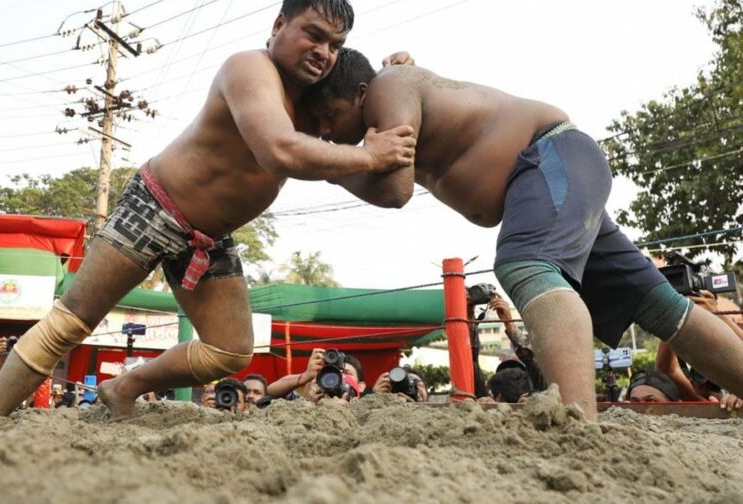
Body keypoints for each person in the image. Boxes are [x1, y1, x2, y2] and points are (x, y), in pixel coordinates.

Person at [0, 0, 417, 420]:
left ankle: (123, 387)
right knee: (71, 321)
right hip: (156, 206)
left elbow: (372, 176)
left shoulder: (315, 109)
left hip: (208, 238)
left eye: (335, 44)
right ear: (280, 23)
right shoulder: (249, 69)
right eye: (314, 34)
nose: (324, 51)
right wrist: (366, 154)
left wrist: (393, 84)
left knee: (230, 350)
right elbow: (278, 148)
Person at [303, 47, 743, 420]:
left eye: (328, 116)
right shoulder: (388, 110)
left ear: (360, 93)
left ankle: (577, 422)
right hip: (551, 181)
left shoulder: (388, 86)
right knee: (657, 304)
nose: (324, 131)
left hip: (550, 157)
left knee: (526, 263)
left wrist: (327, 162)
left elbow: (396, 190)